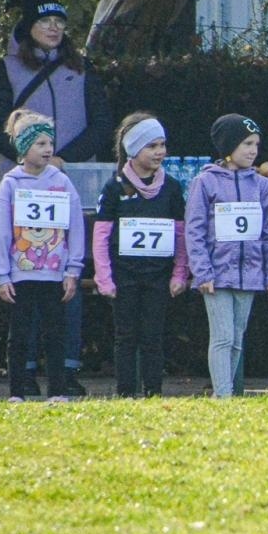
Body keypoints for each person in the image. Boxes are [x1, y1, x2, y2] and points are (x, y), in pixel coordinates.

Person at [0, 0, 112, 397]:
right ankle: (21, 373)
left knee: (65, 280)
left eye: (60, 22)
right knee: (24, 284)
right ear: (28, 27)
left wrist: (61, 159)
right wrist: (30, 158)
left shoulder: (83, 68)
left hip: (67, 181)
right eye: (45, 22)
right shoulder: (5, 69)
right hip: (20, 186)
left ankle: (64, 370)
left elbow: (101, 124)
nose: (54, 28)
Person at [184, 114, 268, 399]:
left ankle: (223, 393)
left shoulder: (262, 185)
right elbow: (195, 230)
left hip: (250, 273)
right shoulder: (204, 182)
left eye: (256, 144)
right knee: (223, 336)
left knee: (237, 338)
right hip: (216, 274)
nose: (253, 150)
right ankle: (224, 395)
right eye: (246, 144)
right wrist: (202, 272)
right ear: (228, 146)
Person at [91, 112, 190, 398]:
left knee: (153, 337)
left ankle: (153, 392)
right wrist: (104, 277)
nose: (160, 152)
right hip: (124, 276)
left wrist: (179, 273)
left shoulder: (171, 188)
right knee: (125, 336)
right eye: (152, 146)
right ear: (133, 150)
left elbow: (180, 234)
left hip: (158, 277)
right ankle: (124, 393)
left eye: (162, 145)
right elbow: (101, 236)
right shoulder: (113, 187)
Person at [0, 111, 84, 402]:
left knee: (55, 334)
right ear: (23, 148)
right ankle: (16, 392)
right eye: (40, 144)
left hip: (55, 273)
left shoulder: (62, 182)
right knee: (19, 336)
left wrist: (73, 269)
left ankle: (57, 390)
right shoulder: (10, 184)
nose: (48, 149)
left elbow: (76, 226)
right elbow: (2, 230)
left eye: (50, 143)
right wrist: (2, 274)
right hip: (20, 273)